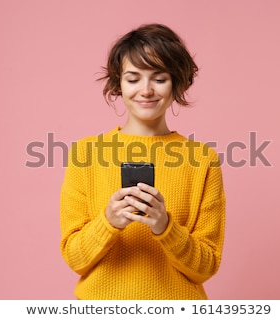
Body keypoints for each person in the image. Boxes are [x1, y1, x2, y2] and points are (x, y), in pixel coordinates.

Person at [60, 23, 226, 300]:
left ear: (177, 82)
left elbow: (206, 266)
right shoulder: (85, 153)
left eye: (159, 79)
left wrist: (164, 226)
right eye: (133, 78)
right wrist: (108, 221)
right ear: (118, 84)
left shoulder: (202, 160)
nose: (146, 90)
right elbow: (75, 259)